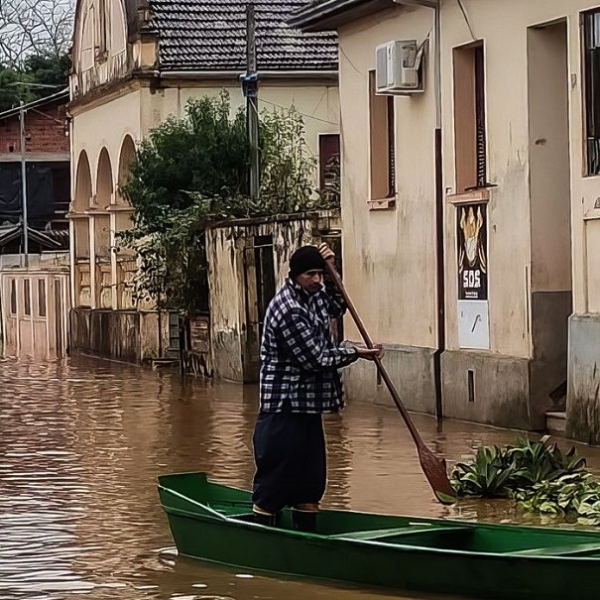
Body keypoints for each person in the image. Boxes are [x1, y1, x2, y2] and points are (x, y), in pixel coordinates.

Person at [252, 243, 383, 532]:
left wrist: (333, 269)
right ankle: (262, 537)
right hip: (283, 409)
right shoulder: (288, 309)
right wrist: (357, 353)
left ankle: (306, 538)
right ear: (296, 275)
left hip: (308, 407)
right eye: (311, 274)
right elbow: (314, 359)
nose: (317, 280)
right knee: (274, 484)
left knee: (311, 485)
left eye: (319, 274)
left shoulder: (317, 293)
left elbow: (339, 305)